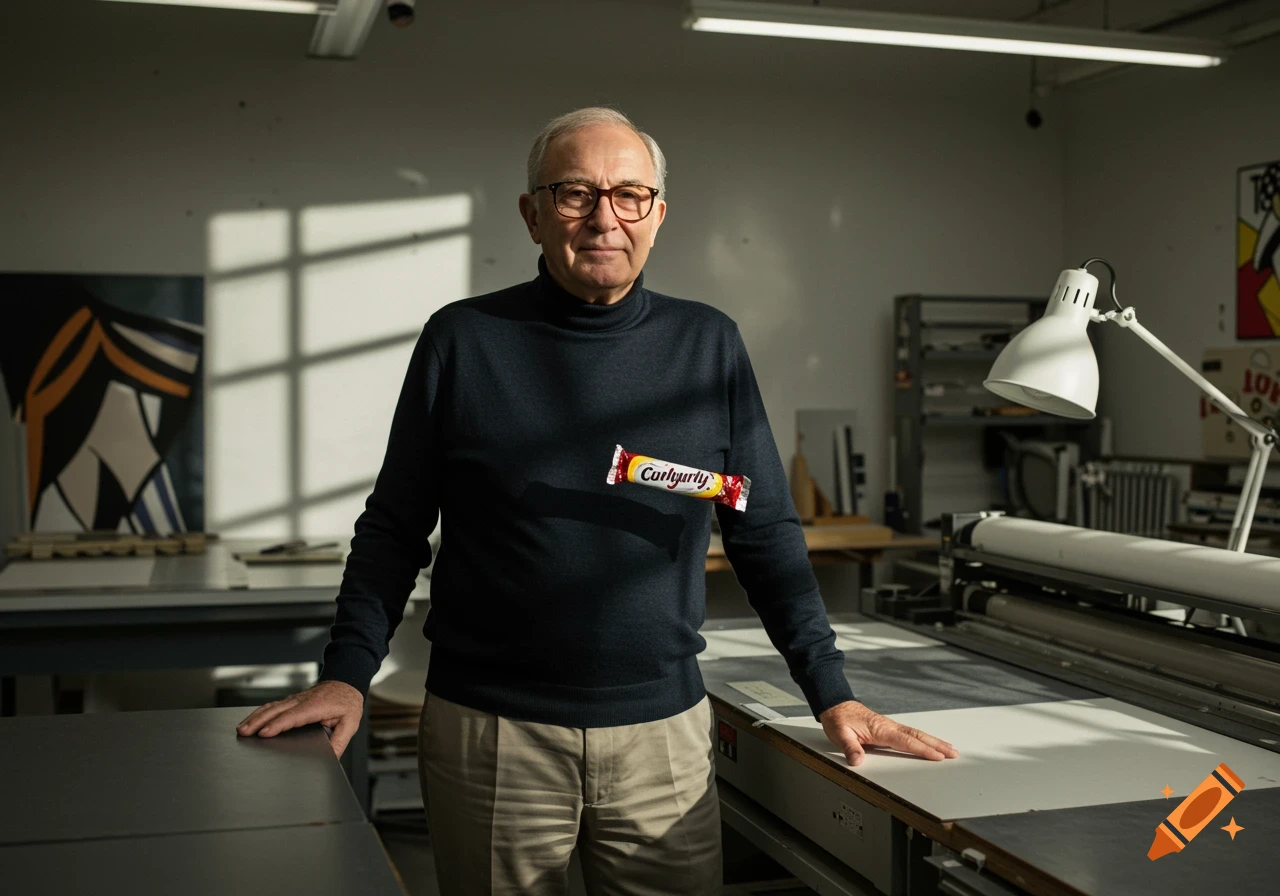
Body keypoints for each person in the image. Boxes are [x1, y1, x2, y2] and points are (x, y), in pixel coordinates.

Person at [237, 106, 958, 896]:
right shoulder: (463, 340)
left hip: (665, 736)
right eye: (576, 193)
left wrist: (832, 693)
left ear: (659, 214)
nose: (604, 217)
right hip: (492, 734)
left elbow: (765, 532)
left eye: (629, 195)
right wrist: (347, 673)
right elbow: (393, 527)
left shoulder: (707, 345)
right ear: (533, 214)